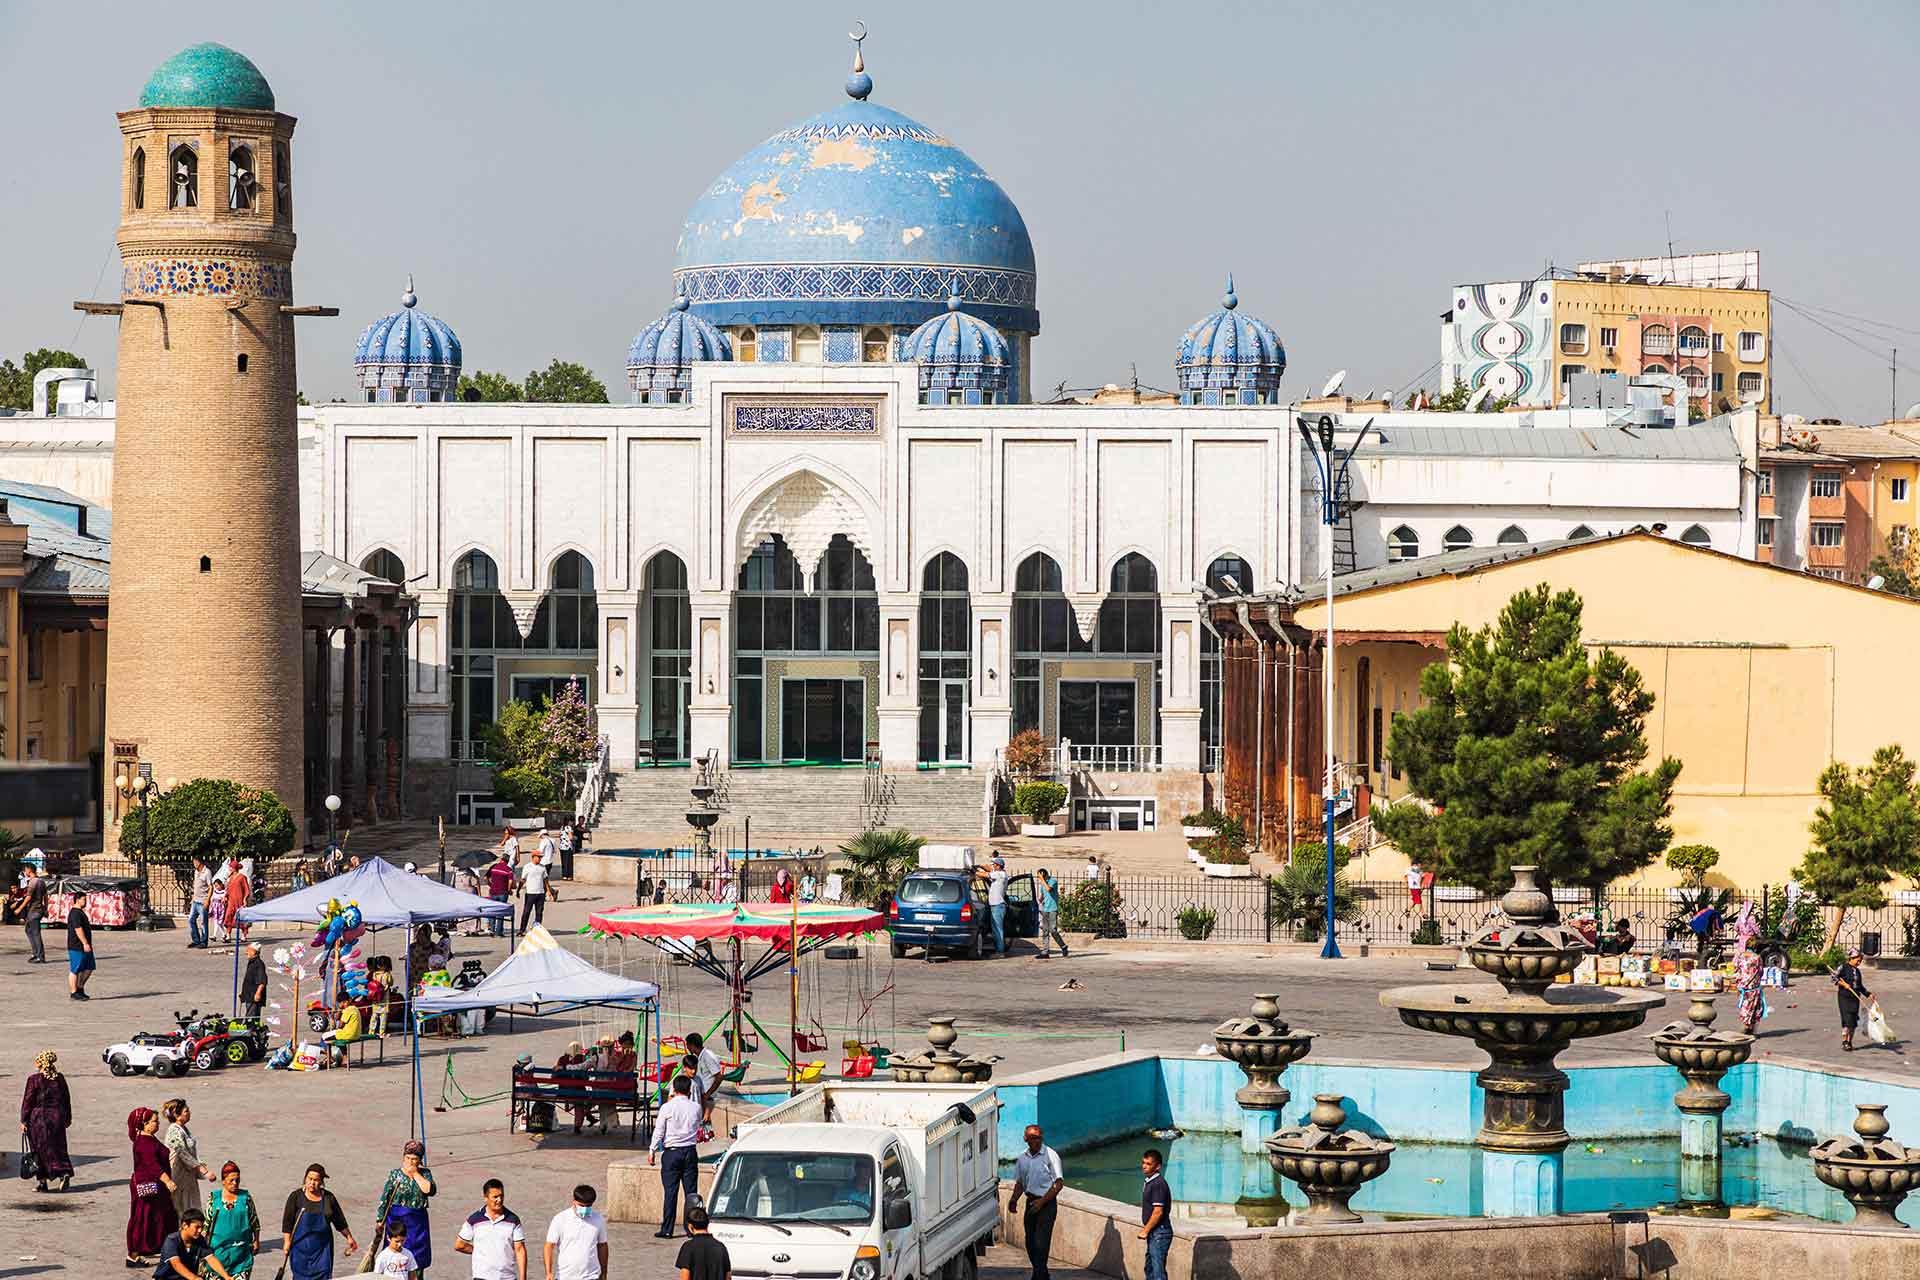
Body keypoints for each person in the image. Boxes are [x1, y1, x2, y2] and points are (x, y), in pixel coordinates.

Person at [282, 1163, 358, 1280]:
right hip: (300, 1249)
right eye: (310, 1179)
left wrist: (349, 1237)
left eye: (316, 1180)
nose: (312, 1183)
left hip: (322, 1251)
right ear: (305, 1179)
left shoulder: (328, 1198)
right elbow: (287, 1222)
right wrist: (287, 1242)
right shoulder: (296, 1197)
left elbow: (339, 1221)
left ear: (322, 1182)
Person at [373, 1139, 437, 1275]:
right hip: (396, 1220)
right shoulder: (395, 1175)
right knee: (394, 1256)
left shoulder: (425, 1174)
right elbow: (385, 1198)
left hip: (417, 1223)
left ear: (419, 1160)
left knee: (417, 1258)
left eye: (414, 1159)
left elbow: (429, 1190)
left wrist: (415, 1174)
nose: (410, 1162)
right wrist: (380, 1220)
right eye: (408, 1158)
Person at [1007, 1124, 1063, 1280]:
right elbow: (1020, 1183)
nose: (1036, 1141)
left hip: (1046, 1204)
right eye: (1032, 1138)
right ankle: (1042, 1274)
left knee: (1041, 1243)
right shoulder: (1022, 1159)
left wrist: (1042, 1202)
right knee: (1030, 1242)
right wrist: (1013, 1200)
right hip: (1031, 1202)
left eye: (1038, 1138)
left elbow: (1058, 1184)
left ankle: (1038, 1276)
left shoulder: (1050, 1155)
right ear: (1026, 1139)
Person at [650, 1075, 702, 1239]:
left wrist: (652, 1150)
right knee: (691, 1193)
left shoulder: (667, 1107)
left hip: (672, 1152)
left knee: (671, 1192)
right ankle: (692, 1228)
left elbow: (659, 1131)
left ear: (674, 1089)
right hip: (690, 1150)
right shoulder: (696, 1107)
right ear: (689, 1090)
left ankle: (667, 1229)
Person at [128, 1107, 179, 1267]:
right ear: (144, 1124)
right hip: (149, 1188)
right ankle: (134, 1255)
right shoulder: (144, 1143)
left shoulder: (149, 1139)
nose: (157, 1124)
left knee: (163, 1218)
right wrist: (168, 1181)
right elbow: (153, 1165)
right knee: (143, 1220)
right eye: (154, 1121)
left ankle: (168, 1250)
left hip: (157, 1190)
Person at [20, 1049, 73, 1192]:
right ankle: (64, 1172)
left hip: (39, 1119)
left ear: (41, 1063)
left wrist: (23, 1121)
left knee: (38, 1150)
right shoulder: (60, 1078)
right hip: (57, 1117)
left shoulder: (34, 1080)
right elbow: (66, 1100)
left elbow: (28, 1101)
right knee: (59, 1147)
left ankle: (43, 1183)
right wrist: (67, 1117)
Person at [454, 1177, 527, 1280]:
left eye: (501, 1196)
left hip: (507, 1277)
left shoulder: (513, 1220)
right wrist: (479, 1251)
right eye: (495, 1197)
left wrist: (523, 1277)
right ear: (486, 1197)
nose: (499, 1200)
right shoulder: (474, 1220)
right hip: (482, 1277)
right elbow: (459, 1245)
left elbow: (520, 1250)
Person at [205, 1161, 260, 1280]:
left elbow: (254, 1221)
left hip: (241, 1254)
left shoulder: (245, 1198)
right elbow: (206, 1224)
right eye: (231, 1180)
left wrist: (256, 1240)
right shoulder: (214, 1198)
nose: (235, 1183)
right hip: (218, 1253)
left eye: (237, 1180)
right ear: (223, 1181)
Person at [543, 1184, 609, 1280]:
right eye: (581, 1206)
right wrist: (549, 1273)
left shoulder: (598, 1220)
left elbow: (602, 1245)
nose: (585, 1209)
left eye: (588, 1206)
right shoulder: (560, 1219)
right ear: (574, 1201)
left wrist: (604, 1272)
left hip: (591, 1276)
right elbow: (549, 1246)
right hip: (564, 1276)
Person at [161, 1098, 214, 1217]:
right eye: (186, 1111)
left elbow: (192, 1153)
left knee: (191, 1205)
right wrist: (203, 1171)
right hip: (178, 1176)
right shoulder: (173, 1131)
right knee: (181, 1208)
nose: (189, 1113)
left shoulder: (184, 1129)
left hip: (188, 1176)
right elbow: (183, 1154)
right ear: (177, 1115)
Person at [153, 1208, 234, 1280]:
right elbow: (176, 1264)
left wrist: (226, 1276)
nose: (200, 1230)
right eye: (197, 1227)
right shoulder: (171, 1240)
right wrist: (194, 1278)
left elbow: (210, 1258)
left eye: (201, 1227)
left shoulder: (199, 1240)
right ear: (185, 1225)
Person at [1138, 1148, 1172, 1280]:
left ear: (1157, 1166)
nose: (1144, 1166)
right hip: (1154, 1232)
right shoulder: (1150, 1181)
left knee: (1158, 1272)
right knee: (1150, 1268)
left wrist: (1145, 1230)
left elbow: (1158, 1212)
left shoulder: (1158, 1184)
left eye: (1148, 1164)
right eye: (1143, 1163)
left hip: (1159, 1233)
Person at [675, 1206, 730, 1280]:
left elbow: (685, 1277)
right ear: (707, 1224)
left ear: (690, 1227)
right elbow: (728, 1277)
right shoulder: (721, 1247)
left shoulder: (688, 1247)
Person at [1836, 948, 1872, 1051]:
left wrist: (1868, 994)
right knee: (1847, 1019)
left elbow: (1859, 986)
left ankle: (1850, 1041)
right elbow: (1834, 978)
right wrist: (1843, 984)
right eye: (1858, 960)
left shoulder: (1857, 971)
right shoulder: (1843, 967)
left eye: (1860, 961)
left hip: (1855, 998)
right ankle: (1845, 1041)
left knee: (1853, 1020)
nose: (1859, 962)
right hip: (1844, 997)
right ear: (1851, 958)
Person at [686, 1032, 722, 1122]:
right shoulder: (699, 1057)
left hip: (708, 1099)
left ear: (692, 1045)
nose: (687, 1047)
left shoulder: (708, 1056)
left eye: (688, 1045)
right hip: (702, 1098)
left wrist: (708, 1094)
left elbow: (719, 1077)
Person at [1034, 869, 1069, 960]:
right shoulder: (1043, 883)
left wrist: (1042, 880)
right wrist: (1040, 900)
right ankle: (1045, 951)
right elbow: (1043, 894)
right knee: (1045, 931)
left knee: (1053, 930)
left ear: (1043, 874)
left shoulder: (1053, 881)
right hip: (1045, 909)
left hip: (1053, 909)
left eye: (1039, 876)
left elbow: (1049, 889)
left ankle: (1063, 946)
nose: (1039, 878)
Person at [66, 894, 95, 1000]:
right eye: (84, 899)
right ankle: (74, 992)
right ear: (77, 900)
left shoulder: (80, 912)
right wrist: (84, 943)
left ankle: (80, 987)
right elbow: (78, 929)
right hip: (76, 945)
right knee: (75, 968)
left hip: (85, 945)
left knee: (89, 967)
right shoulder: (75, 913)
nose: (85, 901)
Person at [19, 862, 48, 963]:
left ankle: (40, 956)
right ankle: (36, 953)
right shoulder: (41, 881)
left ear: (29, 870)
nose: (24, 872)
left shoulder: (33, 882)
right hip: (38, 910)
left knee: (35, 933)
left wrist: (19, 908)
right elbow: (45, 896)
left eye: (25, 870)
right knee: (28, 930)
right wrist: (46, 908)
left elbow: (28, 897)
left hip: (34, 911)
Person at [980, 858, 1009, 957]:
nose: (992, 867)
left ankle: (1000, 952)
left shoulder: (999, 874)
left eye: (994, 865)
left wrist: (974, 872)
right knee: (996, 929)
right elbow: (988, 870)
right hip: (996, 905)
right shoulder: (1001, 874)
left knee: (997, 929)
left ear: (998, 866)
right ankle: (999, 950)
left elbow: (984, 874)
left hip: (997, 906)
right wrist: (980, 866)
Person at [519, 848, 551, 931]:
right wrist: (518, 890)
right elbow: (523, 879)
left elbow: (545, 879)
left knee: (539, 913)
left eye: (541, 857)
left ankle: (537, 929)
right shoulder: (527, 867)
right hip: (530, 893)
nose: (540, 859)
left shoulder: (542, 867)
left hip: (540, 893)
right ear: (533, 857)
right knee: (526, 912)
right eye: (539, 857)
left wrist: (548, 890)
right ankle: (522, 929)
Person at [487, 848, 515, 938]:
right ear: (507, 861)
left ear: (501, 859)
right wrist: (509, 890)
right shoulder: (508, 869)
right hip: (503, 892)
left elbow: (485, 878)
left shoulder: (493, 867)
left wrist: (491, 885)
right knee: (501, 912)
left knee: (493, 911)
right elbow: (510, 881)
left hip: (493, 892)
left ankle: (491, 930)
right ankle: (498, 932)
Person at [187, 858, 212, 949]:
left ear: (199, 862)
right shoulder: (196, 872)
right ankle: (196, 940)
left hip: (203, 901)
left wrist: (207, 900)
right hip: (195, 901)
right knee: (191, 920)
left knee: (203, 923)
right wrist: (193, 897)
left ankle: (203, 942)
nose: (194, 864)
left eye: (195, 862)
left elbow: (210, 887)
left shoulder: (207, 872)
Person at [224, 859, 252, 943]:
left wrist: (245, 899)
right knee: (228, 916)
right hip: (231, 901)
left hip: (239, 901)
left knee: (242, 919)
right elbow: (228, 889)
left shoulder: (242, 877)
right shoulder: (230, 878)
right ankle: (228, 935)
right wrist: (225, 896)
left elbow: (247, 889)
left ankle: (244, 935)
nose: (229, 868)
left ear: (235, 868)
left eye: (231, 867)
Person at [240, 943, 268, 1019]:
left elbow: (262, 981)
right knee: (250, 1017)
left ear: (253, 952)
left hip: (254, 997)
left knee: (251, 1018)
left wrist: (258, 993)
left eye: (248, 950)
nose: (246, 952)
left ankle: (252, 1030)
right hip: (249, 995)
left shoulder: (258, 964)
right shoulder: (252, 962)